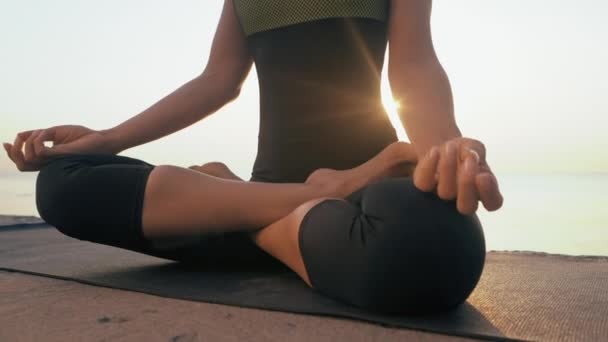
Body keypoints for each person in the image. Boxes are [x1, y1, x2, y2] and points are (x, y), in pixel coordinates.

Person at [3, 0, 503, 314]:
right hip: (281, 193)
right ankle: (302, 198)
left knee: (441, 251)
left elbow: (415, 64)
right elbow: (216, 81)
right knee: (61, 182)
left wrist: (445, 150)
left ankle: (251, 213)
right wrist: (104, 140)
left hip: (367, 197)